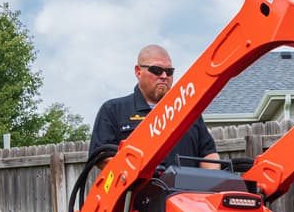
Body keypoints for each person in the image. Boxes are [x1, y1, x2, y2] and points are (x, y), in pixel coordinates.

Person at [89, 44, 219, 168]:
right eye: (157, 70)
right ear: (138, 72)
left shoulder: (189, 112)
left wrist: (210, 180)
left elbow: (209, 154)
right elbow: (102, 157)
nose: (164, 76)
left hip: (186, 185)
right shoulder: (113, 110)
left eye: (169, 71)